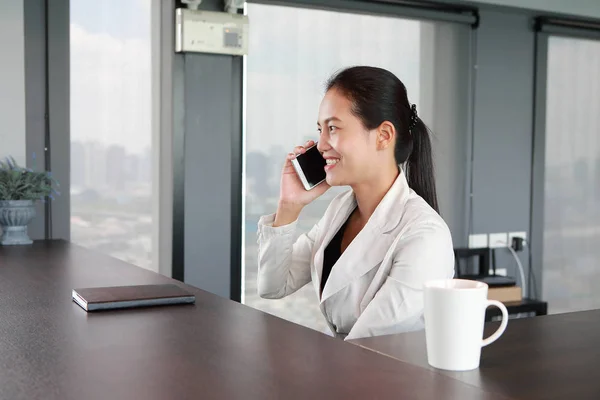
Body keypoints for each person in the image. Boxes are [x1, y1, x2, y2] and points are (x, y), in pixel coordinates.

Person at [256, 66, 454, 340]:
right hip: (344, 370)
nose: (321, 144)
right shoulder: (340, 210)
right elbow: (272, 286)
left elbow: (369, 346)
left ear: (383, 136)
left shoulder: (426, 236)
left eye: (333, 128)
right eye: (320, 129)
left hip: (386, 377)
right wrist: (289, 205)